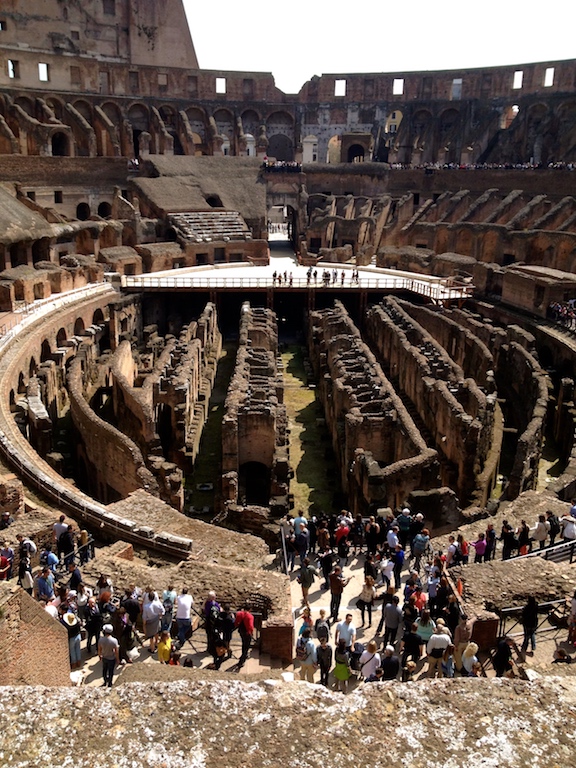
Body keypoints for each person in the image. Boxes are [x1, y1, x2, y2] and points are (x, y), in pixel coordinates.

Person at [98, 623, 120, 688]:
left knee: (104, 670)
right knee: (111, 671)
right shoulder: (114, 641)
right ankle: (110, 683)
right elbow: (116, 651)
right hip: (111, 658)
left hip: (104, 657)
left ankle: (105, 682)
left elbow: (99, 649)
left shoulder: (101, 640)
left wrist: (100, 656)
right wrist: (117, 659)